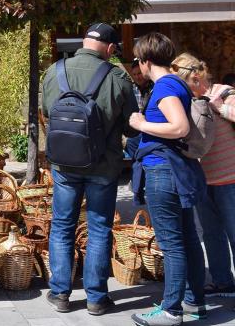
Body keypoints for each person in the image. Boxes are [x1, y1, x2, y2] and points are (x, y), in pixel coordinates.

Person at [40, 23, 138, 316]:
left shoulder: (54, 71)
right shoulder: (118, 77)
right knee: (98, 229)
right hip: (103, 166)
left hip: (64, 164)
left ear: (84, 42)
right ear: (109, 49)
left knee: (61, 226)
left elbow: (47, 112)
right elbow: (131, 126)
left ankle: (60, 294)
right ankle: (96, 297)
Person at [128, 35, 207, 326]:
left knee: (172, 244)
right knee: (187, 239)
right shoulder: (175, 83)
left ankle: (171, 311)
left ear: (146, 61)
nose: (137, 66)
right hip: (175, 170)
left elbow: (180, 126)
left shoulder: (164, 86)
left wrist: (140, 124)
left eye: (137, 61)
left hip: (163, 170)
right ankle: (194, 302)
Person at [192, 58, 235, 298]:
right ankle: (222, 281)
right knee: (210, 234)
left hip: (231, 179)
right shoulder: (187, 99)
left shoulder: (223, 92)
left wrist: (218, 106)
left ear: (197, 76)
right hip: (203, 180)